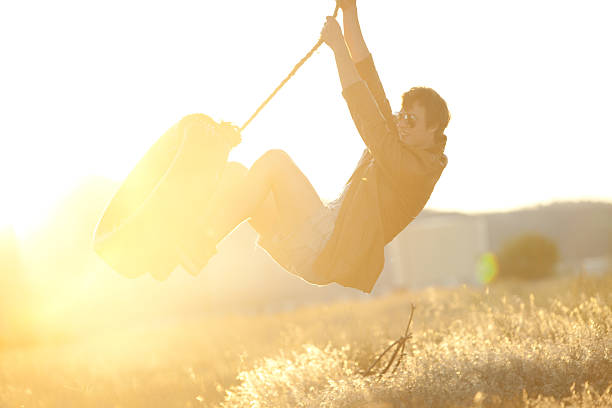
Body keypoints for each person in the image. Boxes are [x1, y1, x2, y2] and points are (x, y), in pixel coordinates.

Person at [179, 0, 450, 293]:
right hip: (312, 242)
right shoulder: (401, 141)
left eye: (411, 120)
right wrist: (350, 11)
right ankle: (185, 231)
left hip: (326, 245)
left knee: (275, 162)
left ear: (433, 129)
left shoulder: (415, 171)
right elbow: (367, 74)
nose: (401, 123)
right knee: (236, 175)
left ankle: (199, 246)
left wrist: (336, 47)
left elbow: (365, 113)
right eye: (401, 115)